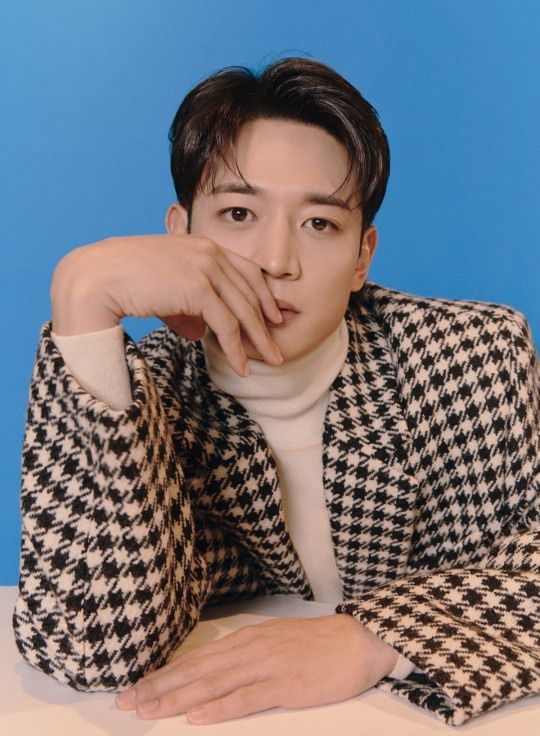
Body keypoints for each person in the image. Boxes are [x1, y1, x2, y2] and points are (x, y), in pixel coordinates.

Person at [13, 57, 539, 727]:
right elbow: (90, 646)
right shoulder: (152, 394)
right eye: (238, 213)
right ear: (180, 235)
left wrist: (370, 639)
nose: (275, 261)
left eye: (319, 224)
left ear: (362, 257)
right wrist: (83, 298)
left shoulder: (471, 356)